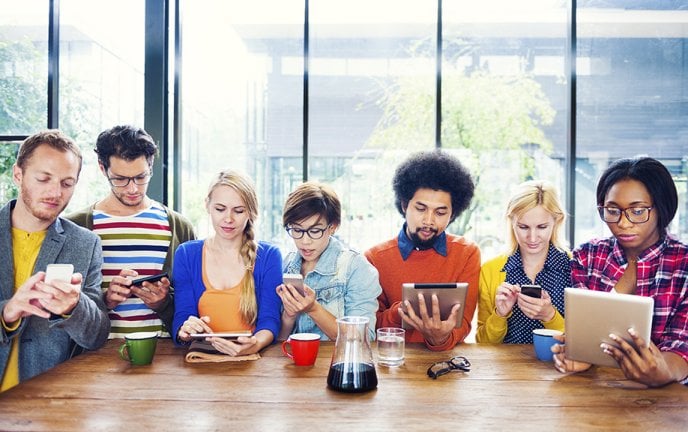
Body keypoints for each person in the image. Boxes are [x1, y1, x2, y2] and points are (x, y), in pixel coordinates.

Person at [552, 156, 688, 387]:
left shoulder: (683, 264)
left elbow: (682, 346)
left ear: (661, 208)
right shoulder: (588, 256)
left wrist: (663, 370)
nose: (623, 223)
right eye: (613, 210)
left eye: (637, 211)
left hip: (670, 404)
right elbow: (586, 332)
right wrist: (581, 355)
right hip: (595, 394)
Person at [0, 130, 109, 392]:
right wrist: (8, 311)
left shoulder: (86, 244)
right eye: (43, 178)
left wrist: (75, 306)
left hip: (50, 402)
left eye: (66, 183)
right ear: (18, 174)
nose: (54, 192)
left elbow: (96, 335)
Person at [67, 125, 195, 339]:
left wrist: (163, 303)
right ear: (102, 168)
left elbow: (193, 306)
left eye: (140, 177)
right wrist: (104, 300)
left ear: (151, 168)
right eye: (120, 179)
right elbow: (61, 311)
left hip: (165, 357)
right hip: (93, 360)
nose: (132, 188)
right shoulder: (76, 227)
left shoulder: (179, 227)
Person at [365, 150, 480, 351]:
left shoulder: (467, 254)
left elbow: (463, 325)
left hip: (446, 363)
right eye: (420, 209)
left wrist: (439, 338)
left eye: (440, 212)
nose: (429, 221)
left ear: (453, 214)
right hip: (391, 360)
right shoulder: (375, 258)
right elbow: (370, 325)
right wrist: (399, 311)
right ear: (404, 205)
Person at [173, 170, 282, 356]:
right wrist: (185, 331)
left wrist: (254, 344)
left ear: (251, 212)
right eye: (220, 209)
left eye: (238, 211)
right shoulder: (186, 254)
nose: (228, 219)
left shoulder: (269, 256)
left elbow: (270, 320)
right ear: (207, 206)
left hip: (252, 360)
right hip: (202, 360)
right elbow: (182, 315)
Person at [276, 182, 381, 341]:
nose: (305, 241)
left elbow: (363, 339)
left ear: (333, 227)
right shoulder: (286, 265)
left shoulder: (356, 268)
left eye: (315, 231)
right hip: (293, 363)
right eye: (297, 230)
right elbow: (278, 343)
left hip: (335, 364)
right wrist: (288, 316)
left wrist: (313, 309)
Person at [476, 180, 569, 344]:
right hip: (507, 368)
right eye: (523, 227)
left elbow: (583, 343)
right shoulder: (491, 270)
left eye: (541, 227)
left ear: (557, 221)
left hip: (559, 366)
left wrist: (550, 316)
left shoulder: (574, 267)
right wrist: (500, 315)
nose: (532, 238)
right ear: (511, 222)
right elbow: (483, 343)